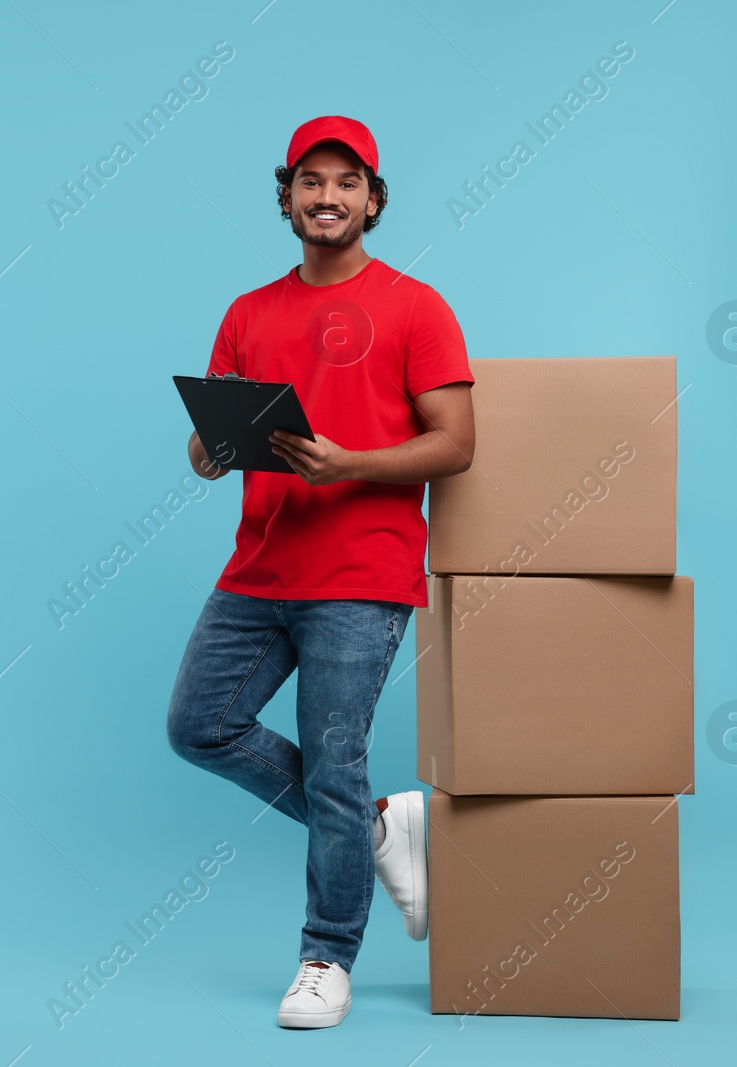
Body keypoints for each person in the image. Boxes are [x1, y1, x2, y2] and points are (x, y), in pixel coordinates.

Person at [166, 115, 477, 1029]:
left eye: (347, 182)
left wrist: (348, 465)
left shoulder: (417, 306)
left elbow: (456, 445)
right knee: (199, 726)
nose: (328, 196)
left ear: (373, 201)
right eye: (311, 181)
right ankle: (381, 825)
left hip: (362, 571)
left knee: (331, 760)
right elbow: (202, 447)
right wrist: (211, 449)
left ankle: (326, 956)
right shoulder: (248, 312)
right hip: (260, 567)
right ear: (288, 197)